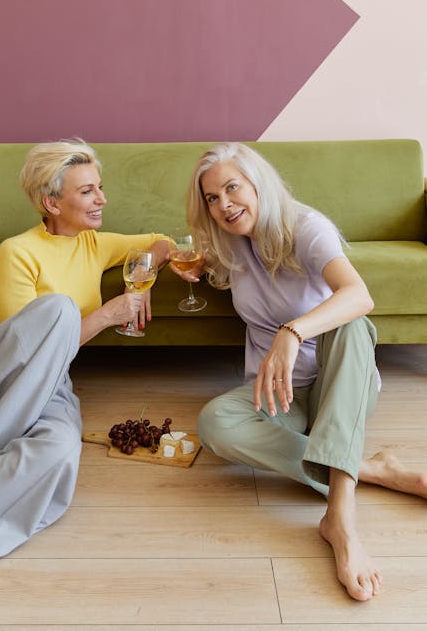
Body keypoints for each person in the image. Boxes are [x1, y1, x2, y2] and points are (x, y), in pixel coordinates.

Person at [170, 141, 427, 603]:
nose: (224, 204)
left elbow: (358, 295)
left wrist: (292, 333)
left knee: (354, 325)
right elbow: (180, 249)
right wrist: (179, 261)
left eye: (232, 187)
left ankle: (340, 521)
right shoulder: (228, 242)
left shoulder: (306, 227)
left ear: (257, 183)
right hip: (279, 393)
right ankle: (372, 469)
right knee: (214, 423)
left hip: (338, 381)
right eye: (212, 198)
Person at [0, 138, 170, 565]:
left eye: (99, 187)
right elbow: (33, 351)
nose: (102, 199)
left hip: (47, 385)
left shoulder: (94, 244)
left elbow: (162, 242)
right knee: (58, 308)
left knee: (61, 448)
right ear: (51, 203)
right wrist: (107, 315)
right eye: (87, 191)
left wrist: (140, 278)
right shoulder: (16, 252)